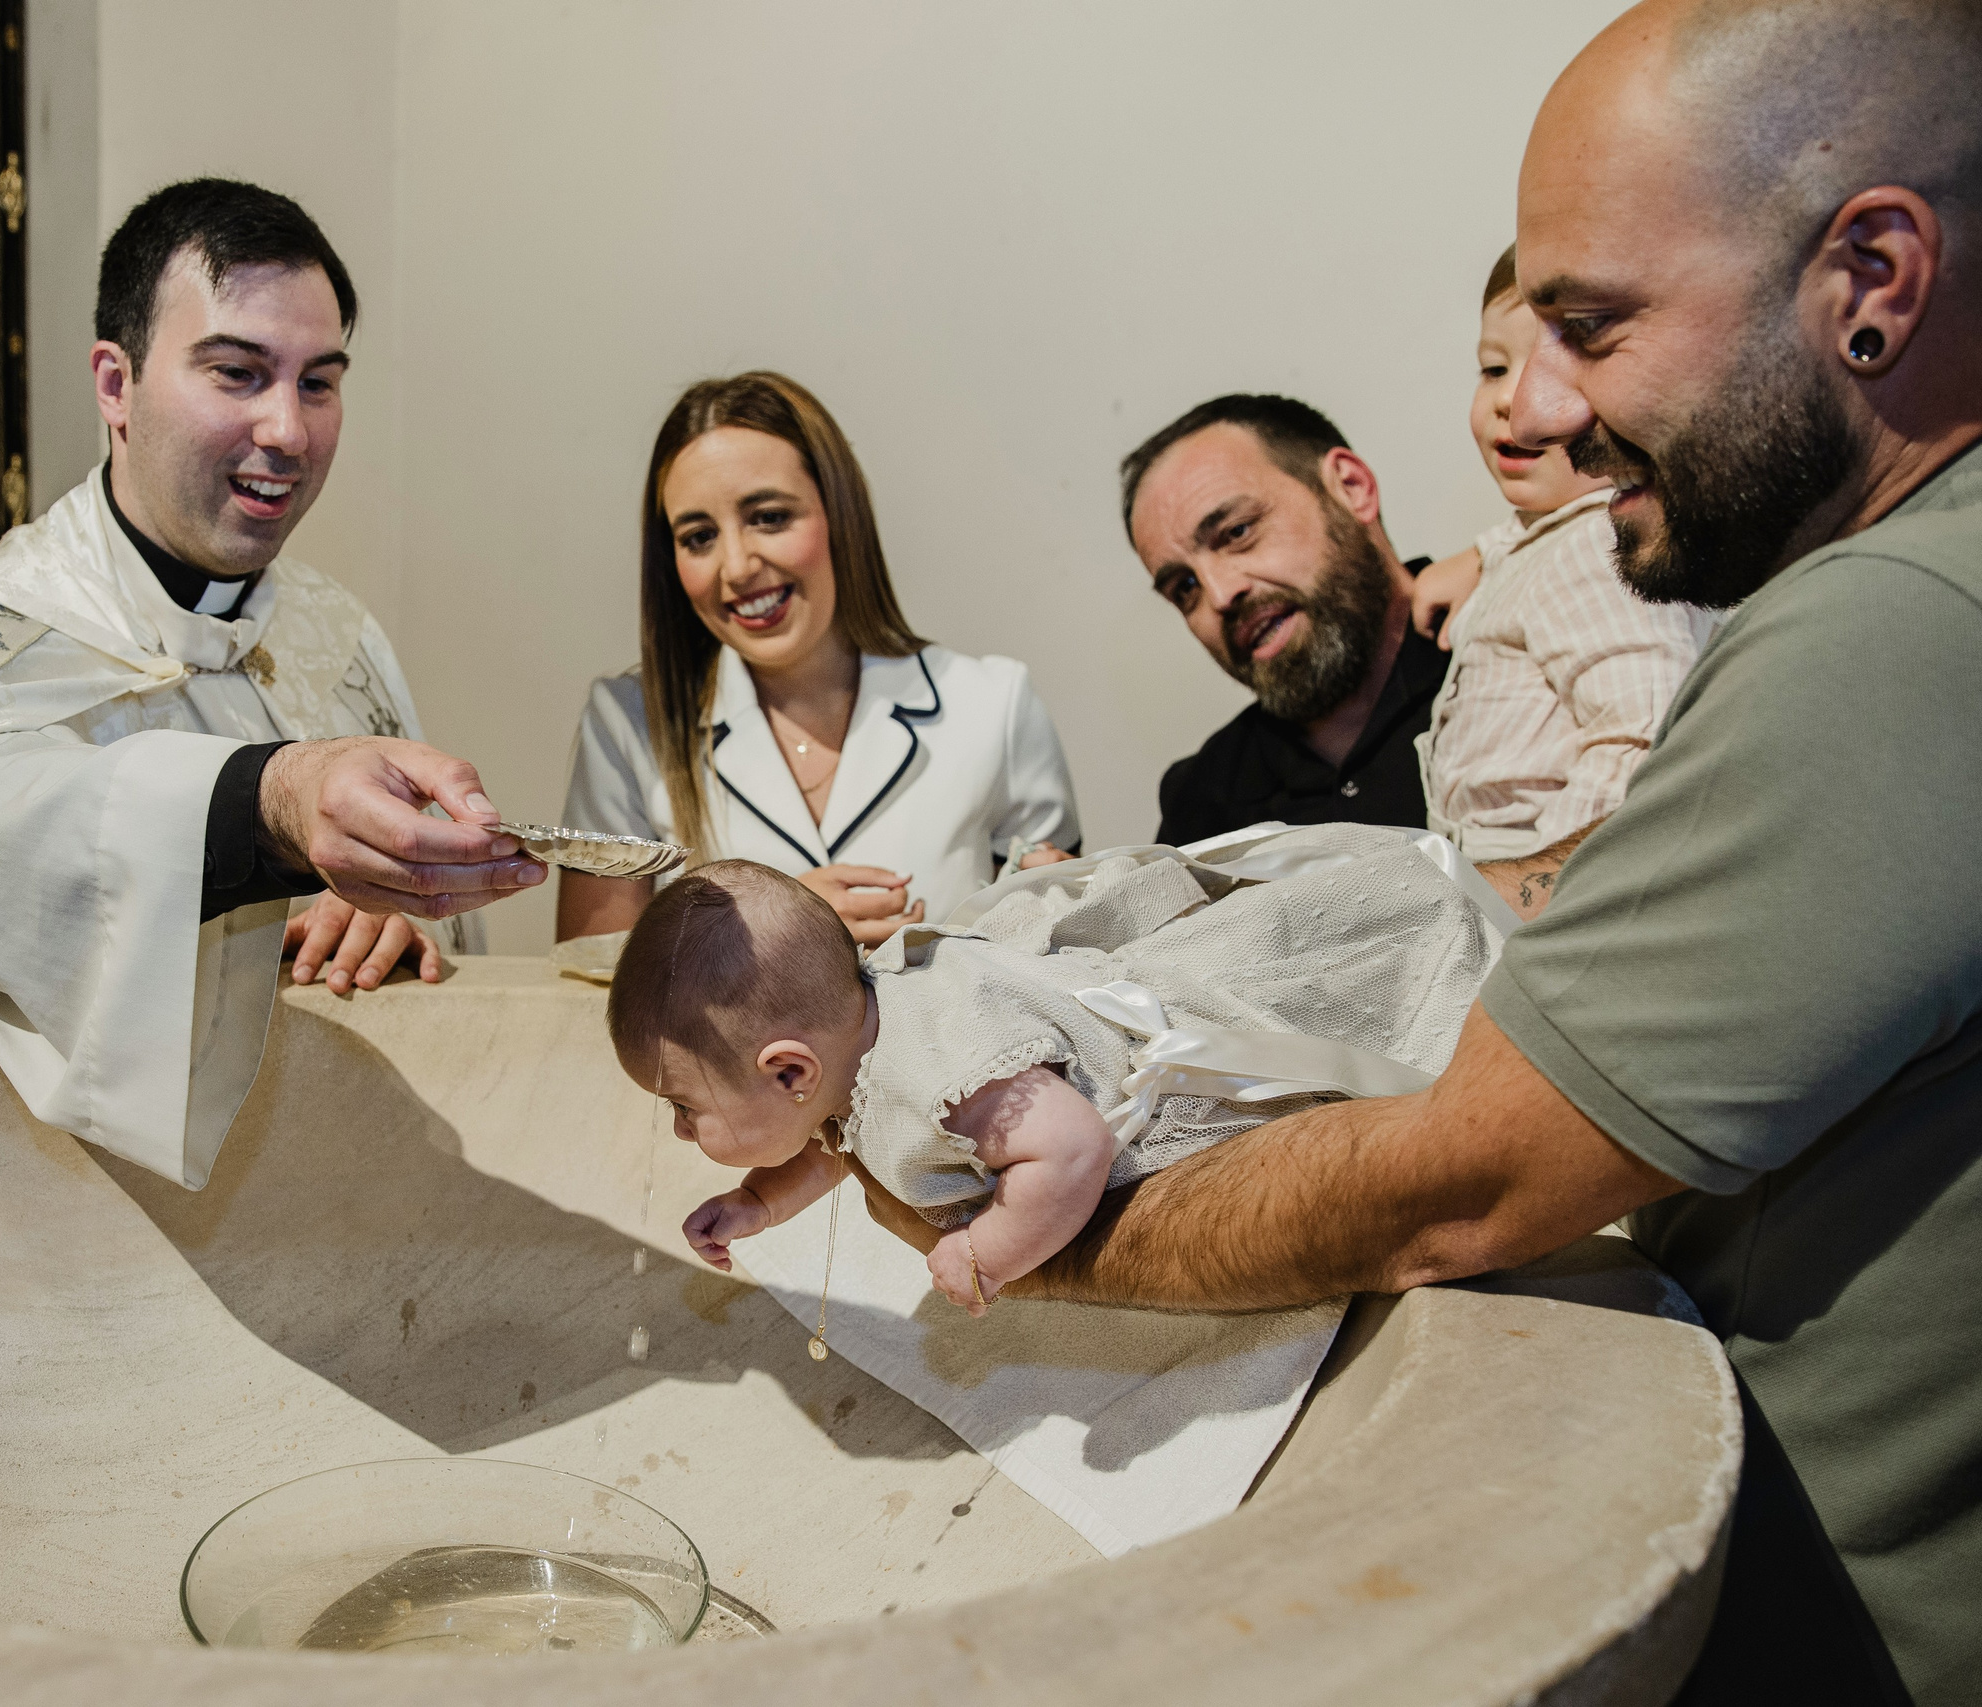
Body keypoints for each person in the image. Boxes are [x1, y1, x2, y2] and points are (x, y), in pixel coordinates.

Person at [854, 3, 1982, 1697]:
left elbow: (1466, 1177)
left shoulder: (1883, 636)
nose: (1560, 415)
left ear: (1873, 279)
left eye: (1595, 329)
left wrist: (1036, 1224)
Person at [0, 179, 542, 1192]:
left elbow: (436, 954)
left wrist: (396, 915)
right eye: (237, 372)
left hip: (324, 1198)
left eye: (318, 382)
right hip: (36, 1216)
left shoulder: (337, 637)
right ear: (115, 384)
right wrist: (270, 803)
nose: (289, 432)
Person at [616, 830, 1499, 1314]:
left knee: (1331, 988)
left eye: (683, 1105)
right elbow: (837, 1138)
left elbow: (1071, 1150)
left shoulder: (943, 1070)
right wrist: (761, 1201)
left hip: (1170, 1079)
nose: (680, 1128)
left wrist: (988, 1250)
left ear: (788, 1070)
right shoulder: (849, 1049)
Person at [561, 372, 1079, 951]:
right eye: (699, 536)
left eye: (769, 517)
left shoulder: (994, 704)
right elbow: (585, 978)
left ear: (840, 514)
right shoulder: (626, 724)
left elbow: (1075, 974)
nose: (736, 568)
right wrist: (762, 929)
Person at [1410, 246, 1717, 859]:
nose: (1513, 401)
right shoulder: (1554, 540)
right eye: (1495, 369)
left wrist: (1554, 899)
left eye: (1564, 367)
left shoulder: (1601, 551)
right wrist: (1480, 555)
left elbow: (1645, 737)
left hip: (1548, 892)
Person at [1124, 395, 1442, 845]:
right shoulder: (1203, 803)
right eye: (1185, 588)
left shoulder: (1520, 650)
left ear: (1351, 488)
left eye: (1237, 532)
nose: (1219, 595)